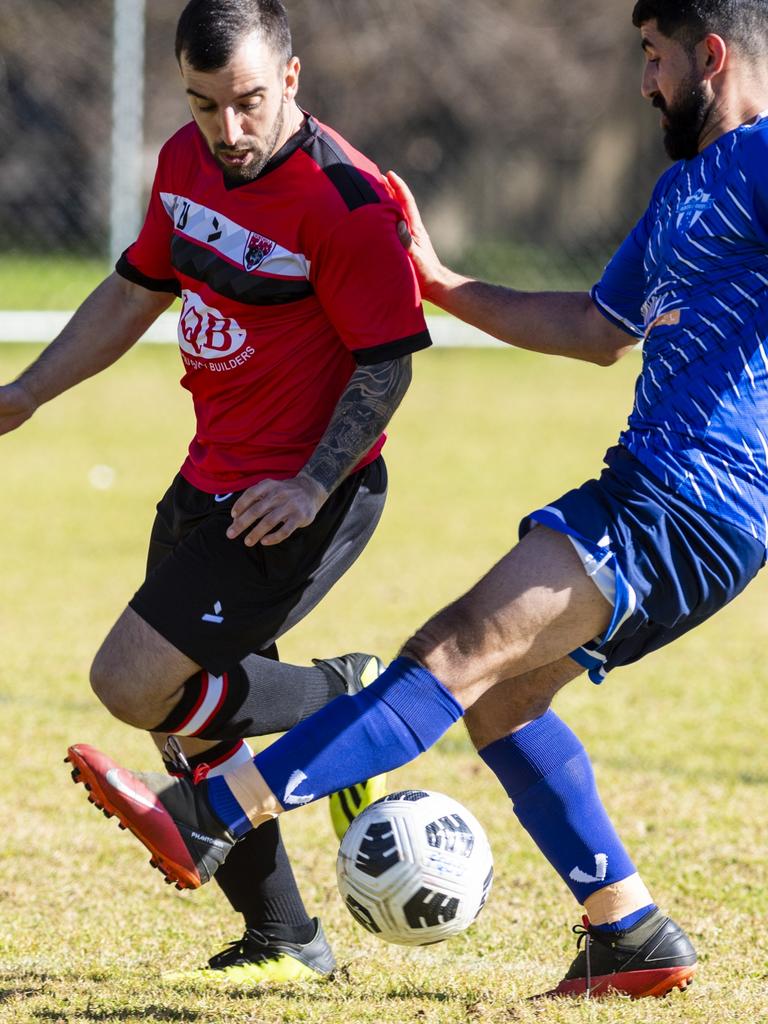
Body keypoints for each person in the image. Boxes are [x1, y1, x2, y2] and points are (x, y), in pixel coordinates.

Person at [65, 0, 768, 1000]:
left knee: (451, 651)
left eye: (654, 59)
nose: (644, 83)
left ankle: (214, 812)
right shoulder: (687, 187)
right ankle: (630, 930)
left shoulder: (760, 160)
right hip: (668, 495)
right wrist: (442, 281)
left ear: (710, 55)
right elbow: (592, 325)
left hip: (691, 494)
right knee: (503, 702)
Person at [1, 0, 432, 988]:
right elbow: (132, 288)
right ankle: (285, 936)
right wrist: (28, 390)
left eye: (245, 103)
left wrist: (311, 481)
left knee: (132, 680)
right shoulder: (183, 164)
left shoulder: (345, 203)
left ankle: (345, 694)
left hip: (301, 496)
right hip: (209, 476)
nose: (227, 132)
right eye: (204, 106)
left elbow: (387, 368)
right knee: (190, 718)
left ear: (289, 77)